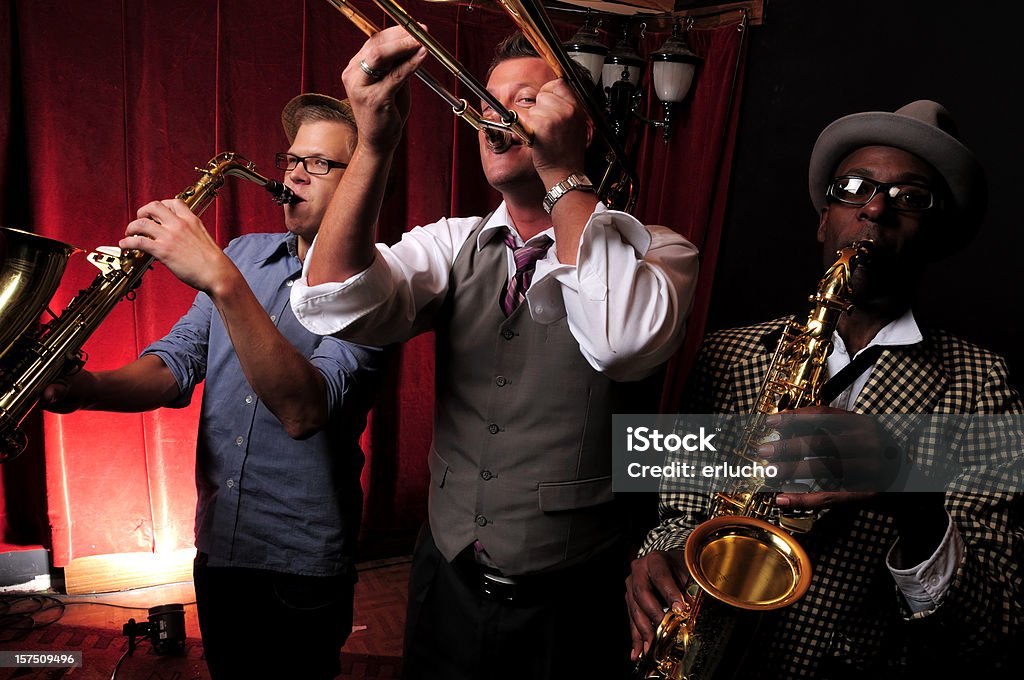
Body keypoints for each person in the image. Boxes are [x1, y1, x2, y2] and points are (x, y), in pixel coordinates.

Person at [288, 27, 699, 680]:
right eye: (488, 101)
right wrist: (374, 142)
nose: (497, 116)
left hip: (574, 602)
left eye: (527, 100)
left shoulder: (657, 252)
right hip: (445, 581)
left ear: (579, 125)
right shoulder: (452, 243)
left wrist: (563, 174)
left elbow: (620, 343)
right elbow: (334, 301)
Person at [626, 100, 1024, 678]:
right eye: (853, 188)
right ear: (822, 219)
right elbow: (678, 514)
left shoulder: (983, 383)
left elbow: (995, 629)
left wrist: (908, 490)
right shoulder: (726, 353)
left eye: (910, 198)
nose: (875, 208)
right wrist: (653, 559)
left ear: (934, 237)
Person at [42, 94, 383, 680]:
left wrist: (221, 281)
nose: (295, 174)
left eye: (320, 164)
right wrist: (83, 389)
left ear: (361, 182)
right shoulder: (245, 254)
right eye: (291, 159)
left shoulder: (375, 286)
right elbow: (175, 362)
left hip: (302, 564)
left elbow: (306, 409)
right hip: (221, 545)